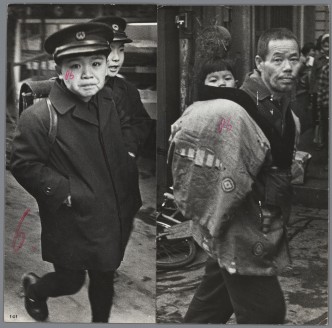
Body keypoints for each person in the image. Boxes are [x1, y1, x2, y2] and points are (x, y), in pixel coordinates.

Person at [10, 22, 142, 323]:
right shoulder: (39, 117)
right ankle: (35, 290)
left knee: (104, 278)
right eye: (75, 66)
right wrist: (65, 192)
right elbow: (23, 164)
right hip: (72, 220)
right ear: (59, 69)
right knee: (72, 281)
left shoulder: (107, 99)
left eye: (96, 64)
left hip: (112, 214)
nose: (88, 74)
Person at [170, 28, 301, 324]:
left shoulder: (281, 107)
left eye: (294, 58)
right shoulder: (232, 106)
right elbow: (189, 136)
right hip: (240, 224)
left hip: (260, 221)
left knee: (209, 308)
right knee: (266, 313)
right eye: (277, 59)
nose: (287, 66)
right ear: (259, 62)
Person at [90, 16, 152, 157]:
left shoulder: (128, 90)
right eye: (110, 49)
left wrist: (130, 149)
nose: (116, 57)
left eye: (121, 50)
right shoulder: (78, 87)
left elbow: (141, 124)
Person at [310, 33, 329, 148]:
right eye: (325, 46)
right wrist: (311, 93)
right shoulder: (317, 60)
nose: (327, 48)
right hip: (319, 90)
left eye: (329, 46)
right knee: (318, 118)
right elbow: (312, 77)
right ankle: (318, 140)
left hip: (327, 91)